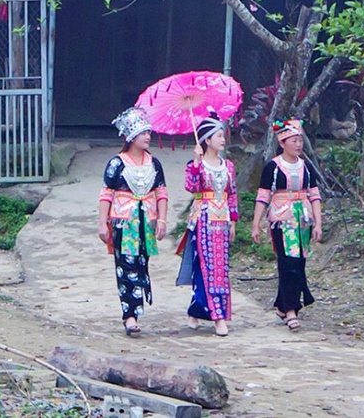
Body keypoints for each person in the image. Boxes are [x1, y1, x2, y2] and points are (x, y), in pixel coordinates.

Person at [98, 108, 168, 337]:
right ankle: (129, 316)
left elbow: (161, 193)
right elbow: (106, 193)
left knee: (140, 264)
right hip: (124, 222)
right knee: (125, 266)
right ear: (130, 137)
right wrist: (102, 223)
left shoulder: (154, 163)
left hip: (146, 221)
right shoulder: (117, 164)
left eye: (148, 132)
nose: (147, 137)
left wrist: (162, 220)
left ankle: (136, 310)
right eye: (142, 133)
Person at [251, 118, 324, 331]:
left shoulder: (306, 167)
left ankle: (284, 305)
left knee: (299, 262)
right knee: (287, 262)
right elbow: (263, 196)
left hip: (303, 220)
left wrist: (318, 223)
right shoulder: (272, 167)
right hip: (282, 221)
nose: (298, 144)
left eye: (300, 140)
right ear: (282, 143)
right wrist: (256, 224)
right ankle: (291, 310)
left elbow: (315, 195)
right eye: (293, 140)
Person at [179, 114, 237, 336]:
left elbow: (232, 194)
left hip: (222, 220)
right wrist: (195, 163)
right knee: (206, 266)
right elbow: (191, 187)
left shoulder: (228, 166)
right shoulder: (197, 165)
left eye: (223, 135)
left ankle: (199, 309)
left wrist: (233, 221)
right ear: (207, 140)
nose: (223, 139)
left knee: (221, 267)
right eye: (219, 135)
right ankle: (217, 316)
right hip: (203, 218)